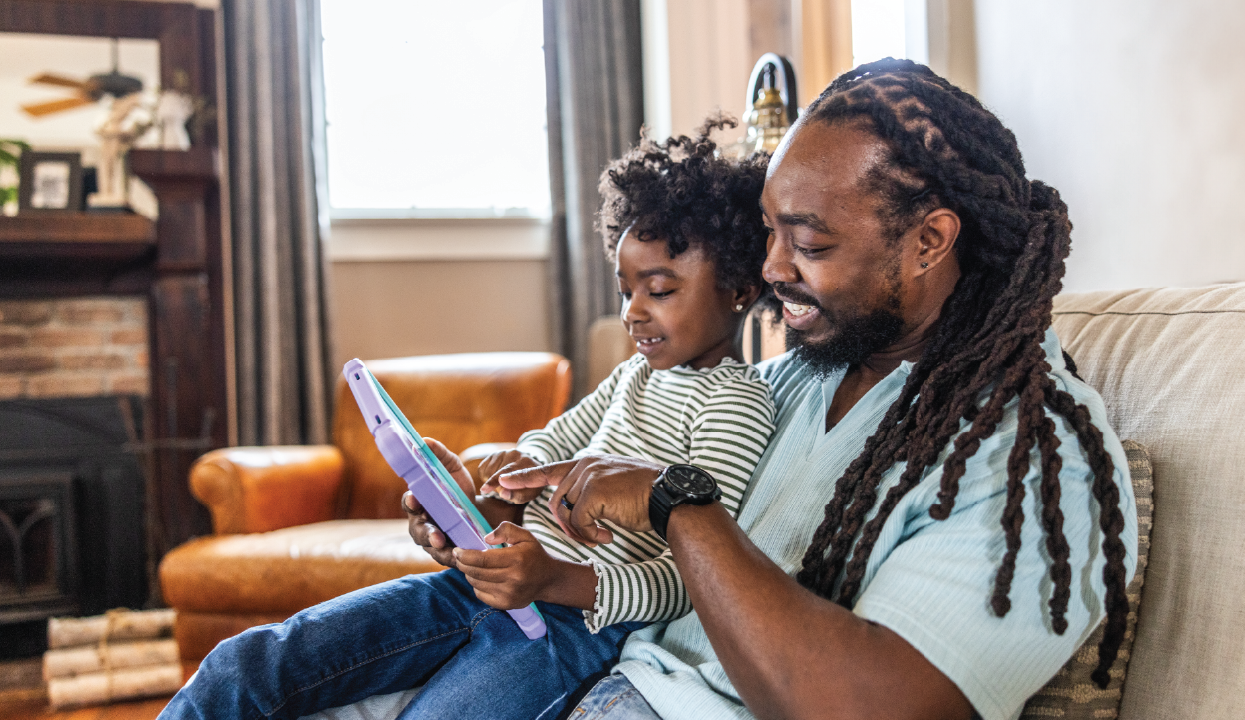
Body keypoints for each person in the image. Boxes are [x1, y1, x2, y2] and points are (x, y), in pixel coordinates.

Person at [492, 59, 1139, 720]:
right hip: (585, 675)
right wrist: (504, 512)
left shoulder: (1028, 459)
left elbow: (864, 708)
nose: (771, 268)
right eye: (770, 231)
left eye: (808, 242)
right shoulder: (804, 376)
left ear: (929, 241)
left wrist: (678, 500)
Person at [158, 119, 777, 720]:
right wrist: (475, 492)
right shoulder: (633, 377)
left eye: (659, 291)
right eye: (625, 291)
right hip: (482, 588)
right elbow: (540, 448)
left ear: (739, 288)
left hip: (567, 631)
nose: (632, 313)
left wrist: (552, 578)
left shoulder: (738, 404)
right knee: (249, 664)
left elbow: (692, 575)